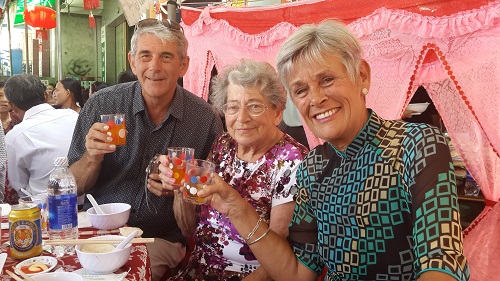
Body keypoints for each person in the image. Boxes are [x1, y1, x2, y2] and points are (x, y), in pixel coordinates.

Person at [189, 20, 470, 281]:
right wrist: (235, 206)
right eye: (301, 90)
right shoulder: (313, 167)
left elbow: (441, 260)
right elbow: (298, 271)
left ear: (361, 76)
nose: (317, 98)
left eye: (327, 80)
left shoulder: (417, 145)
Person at [67, 18, 223, 281]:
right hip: (100, 232)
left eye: (166, 57)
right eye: (145, 55)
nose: (154, 67)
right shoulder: (102, 105)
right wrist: (92, 156)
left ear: (183, 65)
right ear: (132, 61)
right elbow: (74, 186)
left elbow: (208, 208)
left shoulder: (205, 120)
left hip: (159, 237)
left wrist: (181, 188)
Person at [150, 59, 309, 280]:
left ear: (277, 112)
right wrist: (181, 189)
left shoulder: (292, 161)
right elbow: (189, 229)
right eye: (233, 107)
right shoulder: (223, 144)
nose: (242, 118)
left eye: (254, 106)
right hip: (199, 269)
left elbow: (280, 259)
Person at [3, 74, 79, 196]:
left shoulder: (14, 136)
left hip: (43, 206)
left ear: (12, 106)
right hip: (85, 200)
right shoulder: (73, 115)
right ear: (46, 95)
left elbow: (19, 185)